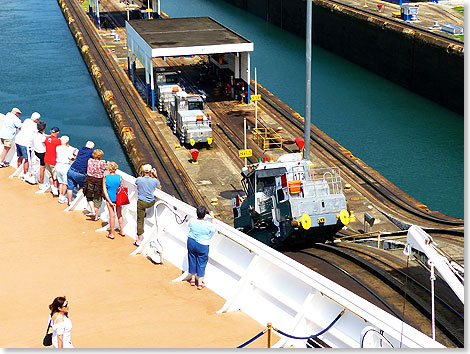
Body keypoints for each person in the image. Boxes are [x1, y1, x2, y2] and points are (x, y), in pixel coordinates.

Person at [187, 205, 216, 290]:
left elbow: (189, 224)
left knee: (192, 258)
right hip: (202, 245)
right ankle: (199, 283)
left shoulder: (192, 221)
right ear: (205, 214)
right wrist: (213, 217)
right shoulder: (208, 224)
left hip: (191, 241)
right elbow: (214, 228)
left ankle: (192, 280)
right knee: (201, 262)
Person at [135, 164, 161, 247]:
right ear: (150, 172)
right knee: (146, 205)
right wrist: (156, 176)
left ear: (143, 171)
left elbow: (137, 182)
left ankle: (139, 240)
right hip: (151, 202)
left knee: (140, 220)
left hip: (142, 202)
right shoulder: (154, 181)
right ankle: (145, 213)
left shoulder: (139, 179)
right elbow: (159, 185)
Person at [102, 161, 125, 239]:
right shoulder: (120, 177)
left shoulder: (106, 178)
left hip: (110, 199)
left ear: (109, 169)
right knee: (119, 214)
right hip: (118, 198)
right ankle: (122, 231)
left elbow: (105, 191)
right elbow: (123, 188)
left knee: (112, 216)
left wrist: (110, 202)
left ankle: (112, 233)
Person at [84, 149, 108, 220]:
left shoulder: (89, 160)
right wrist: (106, 162)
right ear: (100, 156)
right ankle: (96, 216)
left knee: (89, 196)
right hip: (98, 182)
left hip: (89, 180)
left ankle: (92, 210)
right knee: (97, 199)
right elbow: (107, 168)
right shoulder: (102, 164)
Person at [14, 111, 40, 176]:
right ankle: (25, 174)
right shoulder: (35, 125)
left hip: (18, 141)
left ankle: (18, 170)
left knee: (20, 157)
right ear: (36, 119)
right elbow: (37, 133)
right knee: (27, 159)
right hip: (26, 144)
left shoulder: (26, 120)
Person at [55, 136, 78, 204]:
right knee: (65, 183)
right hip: (65, 166)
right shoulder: (68, 149)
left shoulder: (58, 147)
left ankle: (61, 196)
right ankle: (62, 196)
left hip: (58, 165)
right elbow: (72, 158)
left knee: (61, 182)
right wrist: (75, 155)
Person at [44, 127, 61, 196]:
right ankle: (56, 191)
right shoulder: (57, 141)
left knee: (50, 176)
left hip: (46, 159)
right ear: (57, 133)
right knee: (55, 177)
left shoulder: (47, 139)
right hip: (53, 161)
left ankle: (53, 188)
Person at [33, 121, 47, 190]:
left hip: (36, 152)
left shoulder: (35, 134)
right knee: (42, 168)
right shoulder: (42, 138)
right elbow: (46, 142)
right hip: (42, 154)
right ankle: (41, 183)